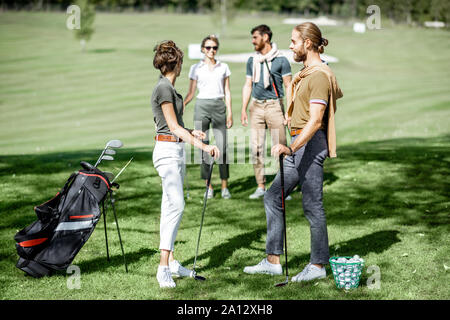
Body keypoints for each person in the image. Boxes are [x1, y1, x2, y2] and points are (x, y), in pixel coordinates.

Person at [243, 22, 343, 282]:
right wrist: (292, 119)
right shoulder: (308, 72)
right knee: (272, 196)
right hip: (299, 144)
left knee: (312, 206)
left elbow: (316, 119)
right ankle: (273, 261)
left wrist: (291, 146)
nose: (290, 46)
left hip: (308, 145)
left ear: (307, 43)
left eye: (294, 41)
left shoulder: (319, 74)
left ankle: (318, 266)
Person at [151, 40, 220, 288]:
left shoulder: (171, 89)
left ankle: (169, 262)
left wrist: (192, 131)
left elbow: (177, 126)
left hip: (175, 150)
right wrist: (204, 147)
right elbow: (172, 127)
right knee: (177, 205)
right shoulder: (163, 89)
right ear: (175, 63)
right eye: (180, 61)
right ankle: (162, 268)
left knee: (170, 206)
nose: (182, 64)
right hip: (167, 152)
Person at [241, 24, 292, 200]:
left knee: (281, 147)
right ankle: (261, 186)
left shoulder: (281, 60)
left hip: (275, 107)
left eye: (255, 37)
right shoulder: (252, 60)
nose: (253, 41)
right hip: (256, 107)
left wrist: (289, 111)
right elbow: (248, 85)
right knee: (256, 148)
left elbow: (288, 86)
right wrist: (243, 109)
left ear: (266, 38)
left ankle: (284, 187)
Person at [184, 35, 233, 199]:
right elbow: (191, 93)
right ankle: (209, 187)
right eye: (208, 48)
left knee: (223, 147)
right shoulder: (195, 68)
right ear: (202, 49)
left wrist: (230, 112)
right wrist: (182, 105)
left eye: (214, 47)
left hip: (219, 106)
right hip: (202, 106)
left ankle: (225, 186)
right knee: (202, 146)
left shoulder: (223, 67)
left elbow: (227, 91)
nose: (211, 50)